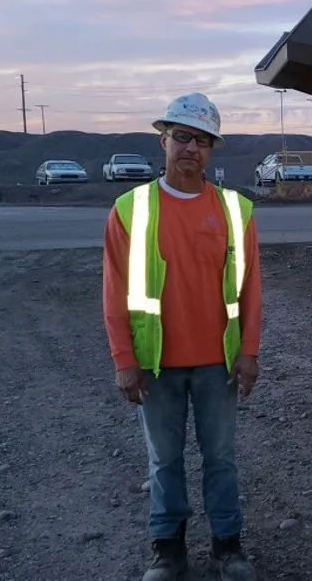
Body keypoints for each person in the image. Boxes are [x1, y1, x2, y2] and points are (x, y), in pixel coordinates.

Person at [102, 92, 261, 581]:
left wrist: (250, 351)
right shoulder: (130, 209)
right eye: (183, 137)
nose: (192, 148)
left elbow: (251, 286)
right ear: (163, 140)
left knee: (221, 459)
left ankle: (227, 547)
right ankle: (168, 549)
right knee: (164, 460)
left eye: (203, 140)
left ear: (212, 149)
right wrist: (123, 360)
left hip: (219, 362)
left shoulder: (236, 210)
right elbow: (114, 290)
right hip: (157, 364)